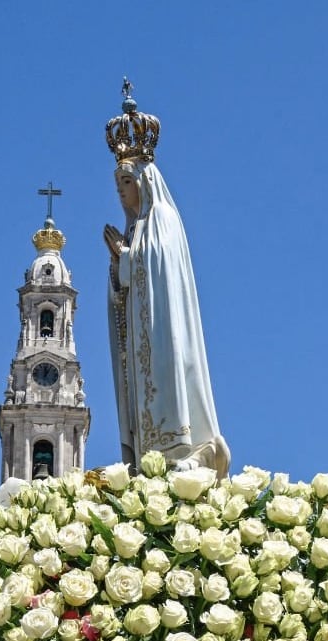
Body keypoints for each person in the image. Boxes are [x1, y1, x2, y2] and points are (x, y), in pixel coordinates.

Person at [103, 90, 229, 477]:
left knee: (168, 380)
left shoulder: (163, 222)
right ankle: (145, 453)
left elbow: (158, 268)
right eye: (118, 184)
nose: (121, 191)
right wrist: (118, 266)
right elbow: (127, 287)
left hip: (162, 334)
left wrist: (125, 257)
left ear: (144, 180)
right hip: (142, 339)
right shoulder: (136, 228)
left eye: (127, 181)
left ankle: (180, 446)